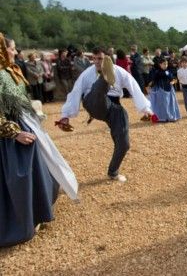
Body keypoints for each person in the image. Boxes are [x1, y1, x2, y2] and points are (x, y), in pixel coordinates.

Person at [0, 34, 78, 247]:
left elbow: (19, 101)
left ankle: (36, 212)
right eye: (12, 48)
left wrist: (33, 115)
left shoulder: (10, 71)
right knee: (17, 180)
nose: (15, 52)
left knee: (41, 171)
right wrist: (14, 133)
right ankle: (18, 224)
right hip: (8, 139)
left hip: (23, 126)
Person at [57, 47, 152, 182]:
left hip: (113, 106)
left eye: (100, 58)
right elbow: (75, 92)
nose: (96, 61)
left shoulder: (120, 72)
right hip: (93, 102)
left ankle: (113, 171)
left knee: (124, 143)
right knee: (98, 90)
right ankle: (104, 78)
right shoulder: (87, 73)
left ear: (107, 59)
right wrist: (66, 115)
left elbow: (134, 87)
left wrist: (145, 109)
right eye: (94, 58)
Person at [149, 57, 180, 122]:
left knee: (170, 103)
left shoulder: (169, 71)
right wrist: (151, 86)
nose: (165, 65)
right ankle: (163, 117)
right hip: (161, 90)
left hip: (169, 90)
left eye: (166, 64)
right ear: (160, 64)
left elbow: (173, 79)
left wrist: (173, 81)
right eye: (164, 64)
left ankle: (171, 116)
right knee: (163, 104)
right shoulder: (157, 72)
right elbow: (154, 80)